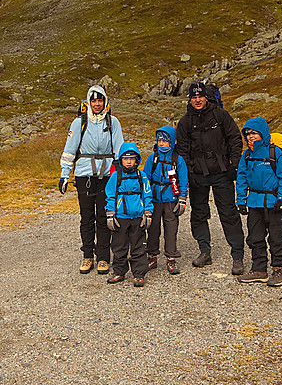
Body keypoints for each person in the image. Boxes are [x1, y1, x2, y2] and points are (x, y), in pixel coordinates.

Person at [176, 82, 245, 274]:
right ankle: (204, 251)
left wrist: (234, 165)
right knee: (198, 214)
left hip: (222, 172)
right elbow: (182, 151)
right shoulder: (185, 122)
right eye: (193, 97)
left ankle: (237, 255)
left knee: (229, 213)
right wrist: (189, 173)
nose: (197, 100)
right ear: (189, 99)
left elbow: (235, 139)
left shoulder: (220, 115)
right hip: (198, 175)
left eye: (200, 96)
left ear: (206, 97)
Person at [58, 84, 124, 275]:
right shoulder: (79, 123)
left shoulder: (113, 122)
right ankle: (87, 256)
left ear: (105, 101)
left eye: (100, 100)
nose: (97, 104)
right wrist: (64, 175)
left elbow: (119, 149)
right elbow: (70, 150)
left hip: (107, 176)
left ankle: (103, 257)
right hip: (84, 175)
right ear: (88, 102)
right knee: (87, 218)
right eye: (93, 100)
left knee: (104, 217)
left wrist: (120, 174)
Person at [235, 118, 282, 287]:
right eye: (247, 134)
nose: (250, 137)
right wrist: (241, 200)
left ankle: (279, 269)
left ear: (262, 133)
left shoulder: (275, 153)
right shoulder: (246, 155)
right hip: (254, 202)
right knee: (255, 237)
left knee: (276, 238)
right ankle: (259, 269)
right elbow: (241, 178)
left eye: (254, 133)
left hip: (274, 203)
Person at [104, 143, 153, 287]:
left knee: (138, 246)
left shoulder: (141, 176)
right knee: (119, 246)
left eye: (132, 159)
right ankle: (119, 272)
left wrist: (148, 213)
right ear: (121, 160)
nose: (129, 162)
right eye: (126, 159)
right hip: (120, 218)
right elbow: (110, 195)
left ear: (137, 160)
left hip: (138, 217)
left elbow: (147, 195)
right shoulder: (115, 176)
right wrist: (110, 214)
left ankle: (139, 274)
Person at [143, 126, 189, 275]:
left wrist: (182, 199)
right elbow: (146, 179)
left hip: (171, 200)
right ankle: (152, 256)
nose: (162, 144)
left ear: (172, 142)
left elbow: (183, 180)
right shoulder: (152, 158)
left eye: (165, 141)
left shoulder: (178, 160)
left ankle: (171, 258)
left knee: (171, 229)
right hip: (154, 200)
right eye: (160, 140)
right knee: (153, 229)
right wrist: (145, 199)